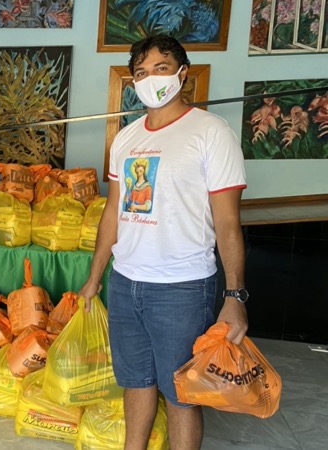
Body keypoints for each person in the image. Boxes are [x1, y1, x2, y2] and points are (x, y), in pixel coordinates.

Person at [78, 35, 248, 450]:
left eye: (160, 68)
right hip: (125, 282)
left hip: (183, 288)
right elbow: (113, 214)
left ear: (182, 74)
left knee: (182, 395)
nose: (150, 78)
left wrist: (235, 294)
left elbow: (228, 222)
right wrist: (95, 277)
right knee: (135, 382)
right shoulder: (126, 139)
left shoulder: (210, 132)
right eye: (140, 72)